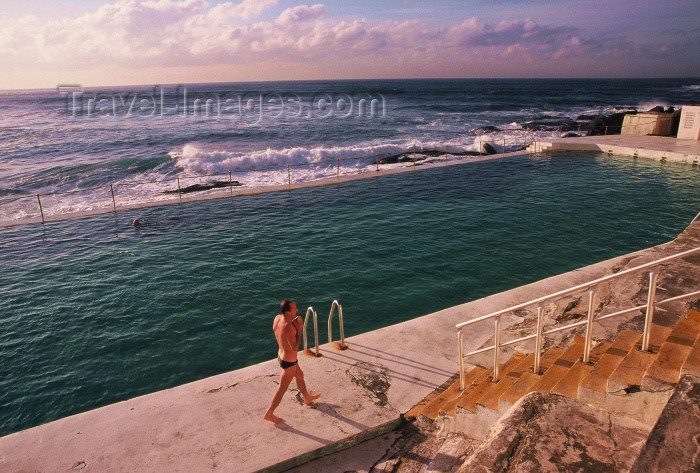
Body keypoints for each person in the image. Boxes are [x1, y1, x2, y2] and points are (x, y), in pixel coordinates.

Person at [263, 299, 320, 424]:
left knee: (300, 375)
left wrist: (292, 327)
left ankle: (307, 398)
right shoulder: (289, 327)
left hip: (281, 355)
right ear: (288, 312)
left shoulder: (277, 319)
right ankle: (269, 413)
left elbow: (281, 335)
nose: (297, 309)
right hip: (289, 361)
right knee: (281, 389)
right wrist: (299, 330)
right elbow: (294, 347)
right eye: (294, 308)